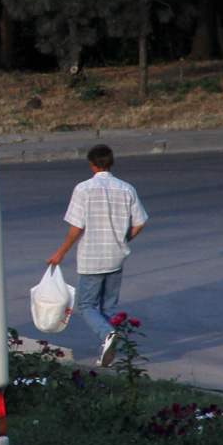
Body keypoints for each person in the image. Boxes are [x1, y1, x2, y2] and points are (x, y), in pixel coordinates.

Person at [47, 144, 148, 367]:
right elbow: (140, 222)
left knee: (85, 305)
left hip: (91, 258)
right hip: (116, 256)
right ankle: (109, 348)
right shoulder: (126, 189)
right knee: (109, 307)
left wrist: (60, 252)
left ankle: (107, 335)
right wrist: (123, 239)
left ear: (91, 164)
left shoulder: (83, 189)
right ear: (112, 163)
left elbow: (76, 228)